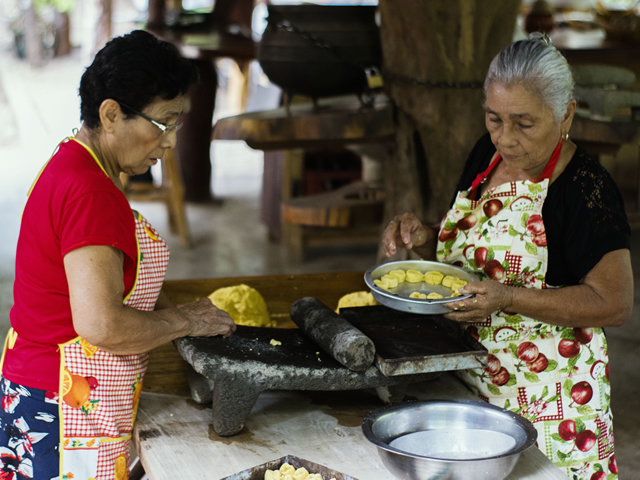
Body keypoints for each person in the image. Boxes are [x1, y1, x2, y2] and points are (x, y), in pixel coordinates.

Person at [382, 33, 631, 479]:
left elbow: (613, 303)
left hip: (553, 401)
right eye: (494, 118)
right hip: (471, 379)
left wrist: (508, 298)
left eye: (524, 123)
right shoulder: (487, 154)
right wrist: (424, 237)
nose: (506, 139)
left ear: (566, 114)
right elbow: (475, 245)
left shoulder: (584, 189)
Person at [0, 30, 236, 479]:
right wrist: (186, 322)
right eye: (163, 123)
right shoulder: (91, 192)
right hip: (63, 406)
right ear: (110, 114)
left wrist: (175, 312)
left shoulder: (72, 160)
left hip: (36, 390)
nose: (169, 143)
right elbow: (101, 323)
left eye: (177, 125)